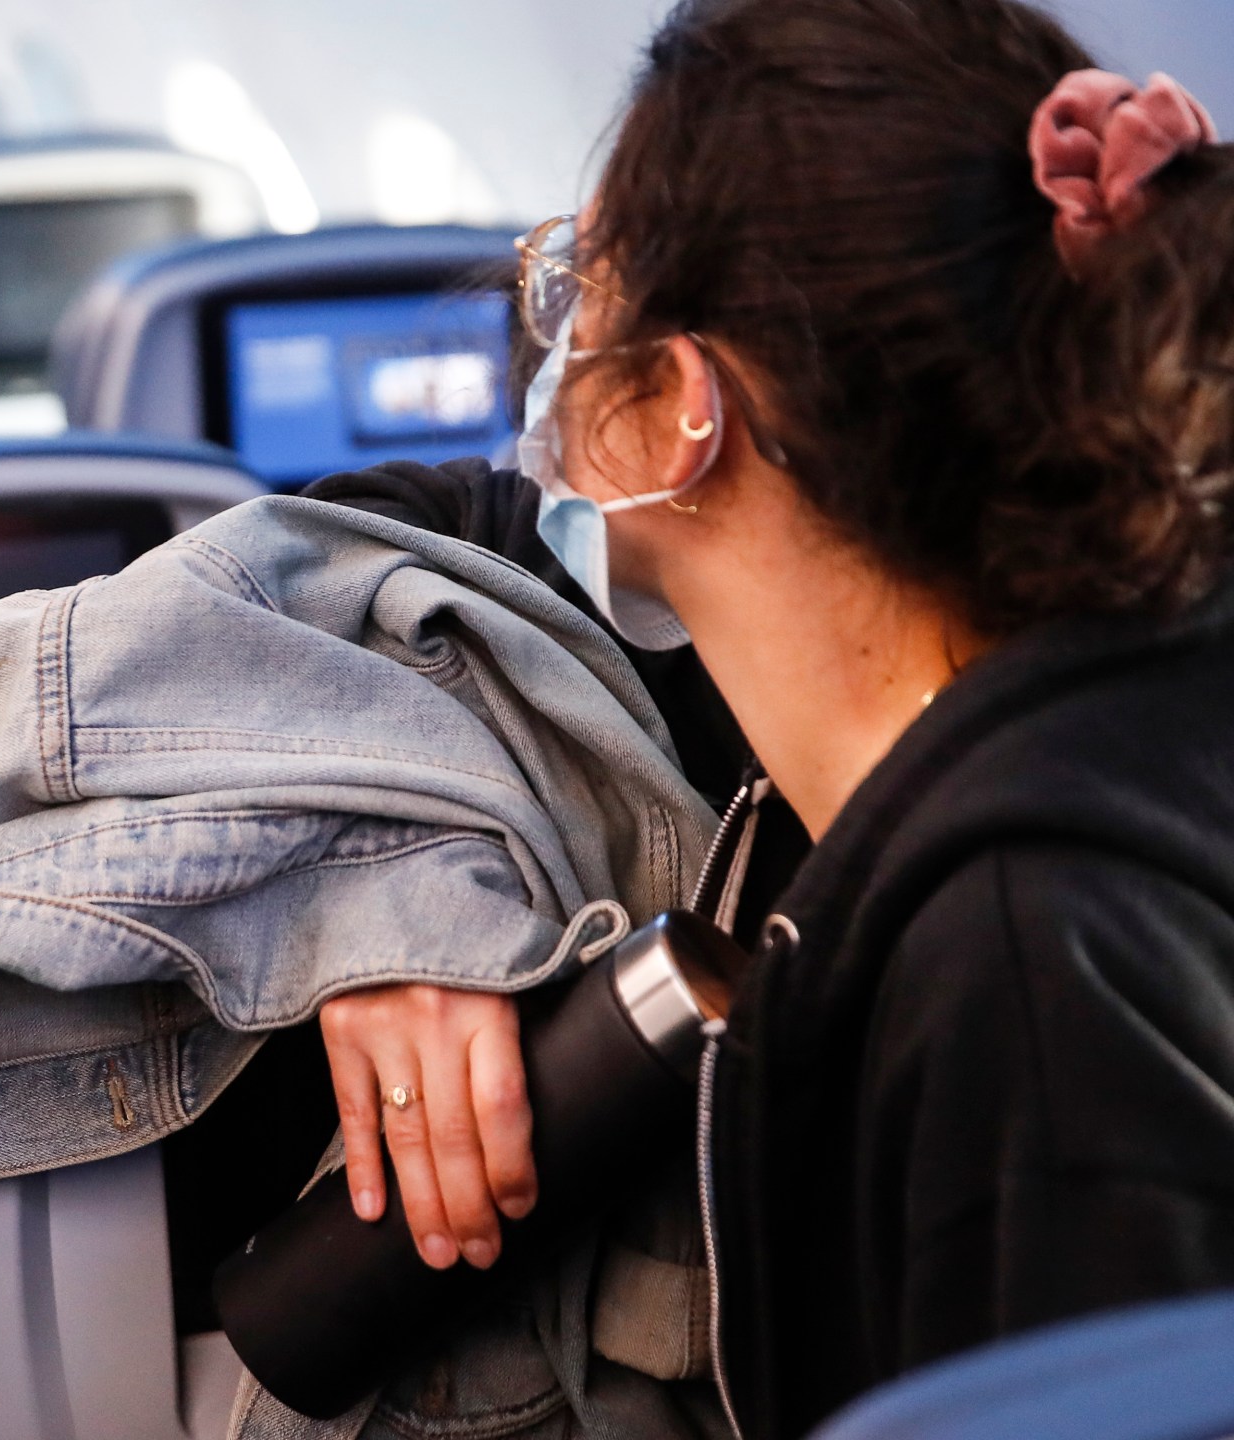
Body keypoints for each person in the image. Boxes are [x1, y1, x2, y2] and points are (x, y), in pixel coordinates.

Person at [311, 0, 1234, 1434]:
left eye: (575, 284)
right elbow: (352, 551)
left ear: (686, 409)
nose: (547, 342)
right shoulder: (1033, 677)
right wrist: (382, 887)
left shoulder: (1025, 965)